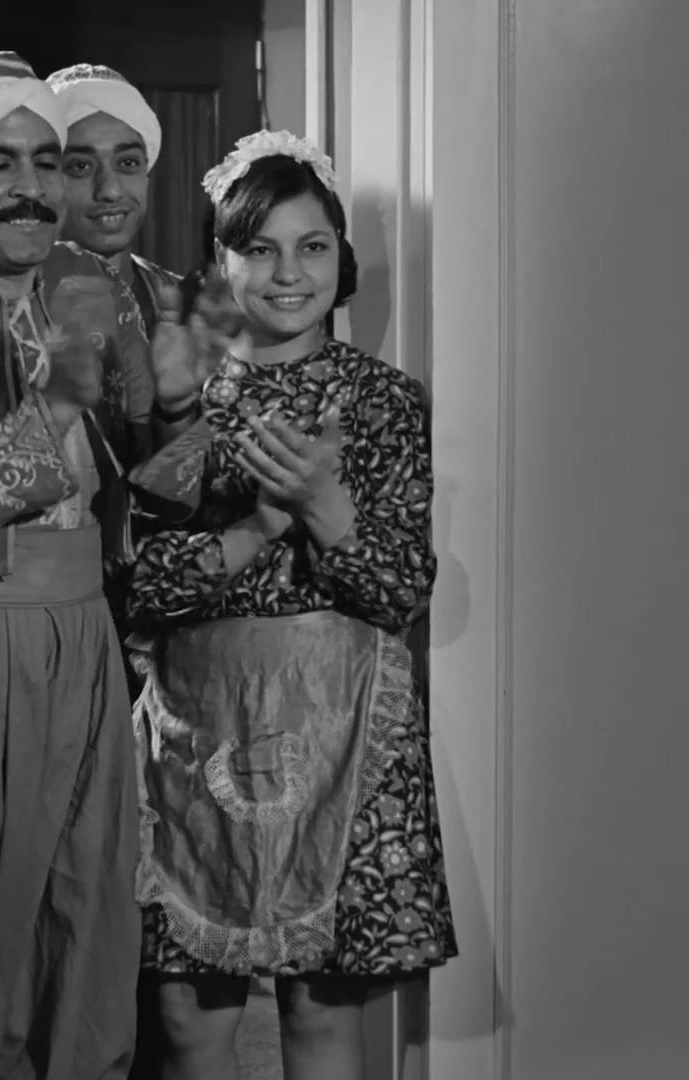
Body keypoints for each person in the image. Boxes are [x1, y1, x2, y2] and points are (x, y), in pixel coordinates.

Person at [0, 46, 206, 1080]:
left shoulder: (92, 287)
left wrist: (179, 407)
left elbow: (169, 490)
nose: (32, 188)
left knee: (88, 916)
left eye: (44, 160)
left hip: (85, 640)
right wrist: (57, 409)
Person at [122, 130, 458, 1080]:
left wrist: (326, 506)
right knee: (188, 1018)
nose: (287, 273)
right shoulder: (181, 403)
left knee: (320, 1010)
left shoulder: (384, 402)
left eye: (311, 247)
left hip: (345, 729)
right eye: (259, 248)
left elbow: (401, 589)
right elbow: (140, 583)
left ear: (340, 259)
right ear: (220, 262)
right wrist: (261, 525)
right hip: (199, 729)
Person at [47, 63, 180, 338]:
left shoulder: (185, 307)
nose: (109, 190)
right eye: (81, 166)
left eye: (128, 163)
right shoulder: (1, 310)